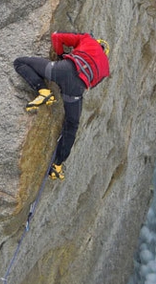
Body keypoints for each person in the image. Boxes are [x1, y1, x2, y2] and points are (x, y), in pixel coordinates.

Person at [13, 32, 110, 180]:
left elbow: (56, 37)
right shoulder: (105, 69)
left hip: (63, 69)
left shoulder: (87, 39)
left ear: (98, 42)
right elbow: (92, 84)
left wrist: (60, 56)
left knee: (20, 62)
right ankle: (57, 165)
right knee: (72, 125)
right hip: (76, 89)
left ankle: (43, 91)